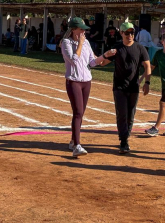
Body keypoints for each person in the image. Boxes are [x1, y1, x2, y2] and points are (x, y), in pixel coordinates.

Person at [60, 17, 116, 157]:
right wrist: (79, 44)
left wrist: (105, 55)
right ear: (73, 30)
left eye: (84, 30)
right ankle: (77, 146)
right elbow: (74, 60)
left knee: (81, 113)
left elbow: (92, 62)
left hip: (86, 81)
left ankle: (73, 141)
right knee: (78, 112)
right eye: (81, 29)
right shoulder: (66, 42)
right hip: (74, 81)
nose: (83, 32)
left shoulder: (86, 43)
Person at [94, 21, 151, 154]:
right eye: (127, 33)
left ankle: (126, 136)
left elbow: (147, 66)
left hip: (134, 87)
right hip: (119, 87)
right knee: (122, 114)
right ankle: (123, 140)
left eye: (132, 33)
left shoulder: (140, 48)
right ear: (121, 33)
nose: (130, 35)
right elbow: (103, 63)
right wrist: (104, 55)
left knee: (131, 115)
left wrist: (147, 83)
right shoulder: (117, 48)